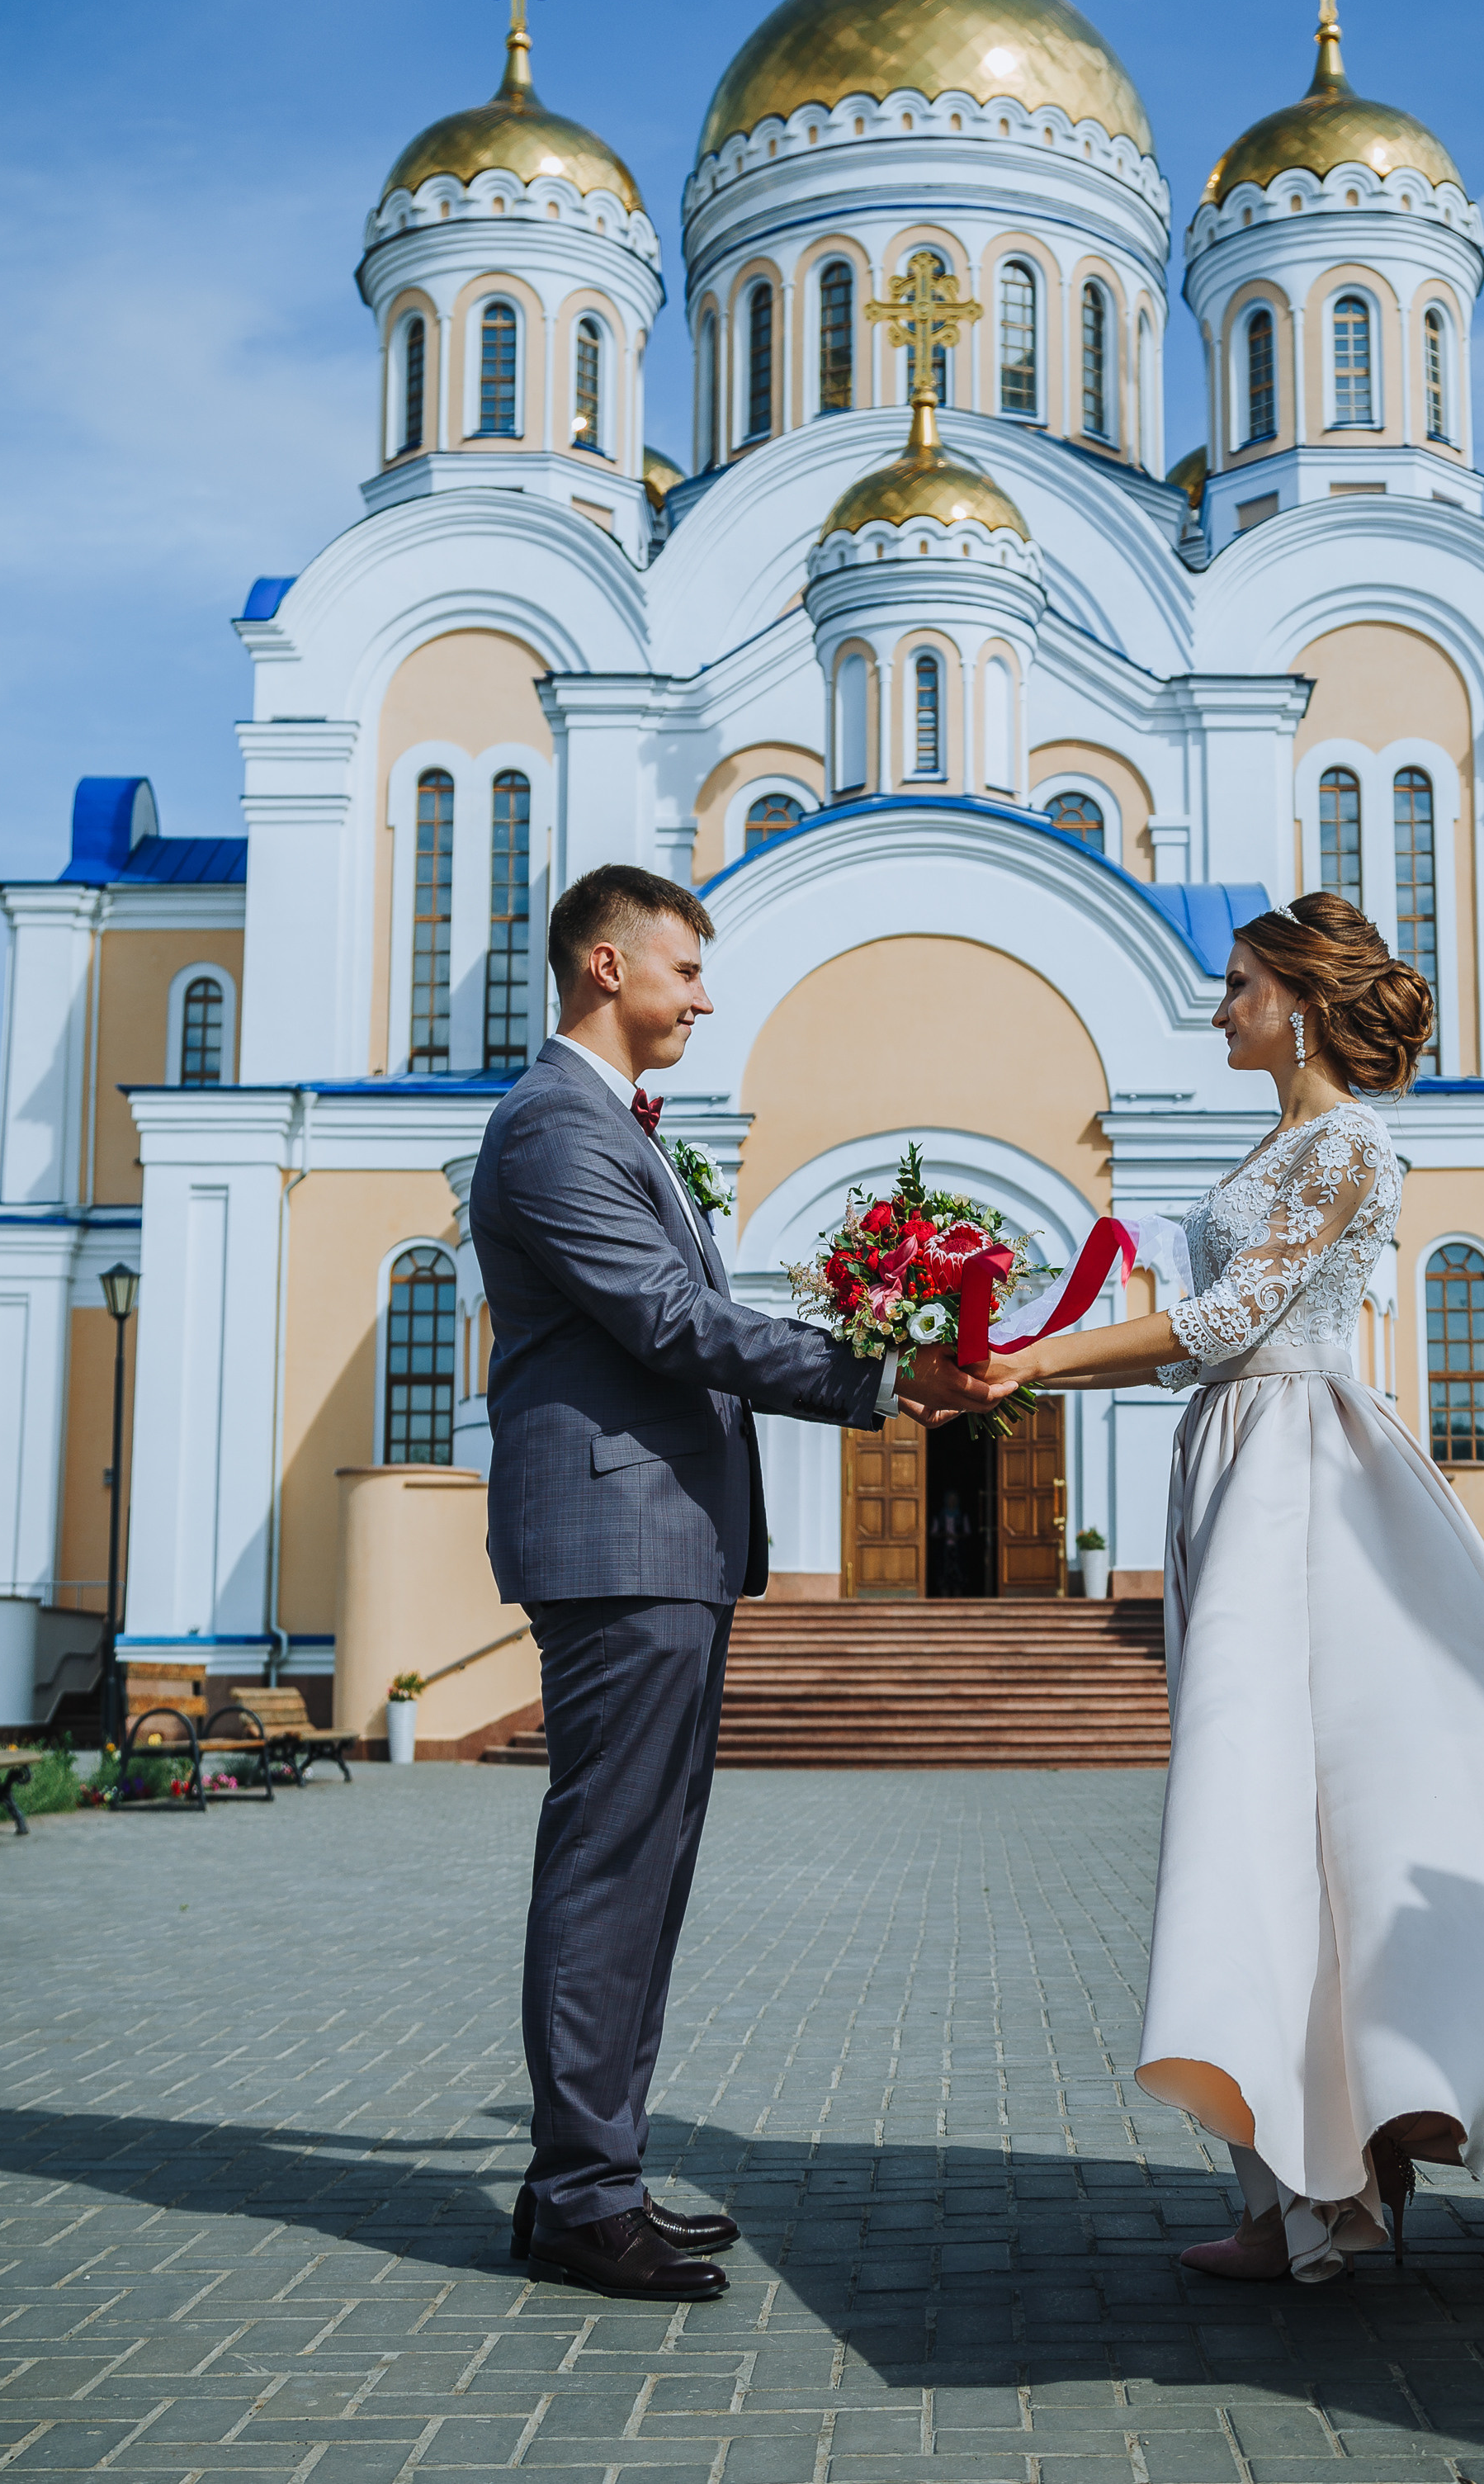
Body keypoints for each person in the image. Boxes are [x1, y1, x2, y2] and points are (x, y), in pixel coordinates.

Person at [996, 892, 1484, 2283]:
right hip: (1238, 1462)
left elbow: (1232, 1324)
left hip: (1306, 1476)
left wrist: (1034, 1365)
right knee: (1272, 1822)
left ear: (1296, 1000)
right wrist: (1032, 1333)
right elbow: (1203, 1329)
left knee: (1347, 1796)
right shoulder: (1276, 1139)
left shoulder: (1350, 1138)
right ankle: (1315, 2186)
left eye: (1235, 987)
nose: (1218, 1008)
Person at [470, 863, 995, 2302]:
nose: (706, 996)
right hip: (619, 1544)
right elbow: (664, 1319)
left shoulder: (602, 1126)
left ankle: (585, 2180)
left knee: (645, 1868)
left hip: (664, 1550)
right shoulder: (549, 1128)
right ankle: (584, 2195)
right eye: (685, 969)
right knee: (610, 1867)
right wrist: (882, 1376)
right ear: (601, 965)